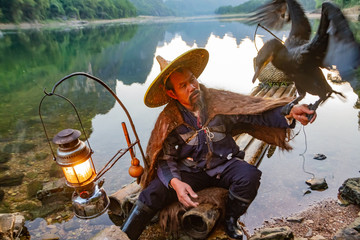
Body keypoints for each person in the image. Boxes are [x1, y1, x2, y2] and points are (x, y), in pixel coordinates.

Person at [121, 48, 316, 240]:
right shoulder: (169, 119)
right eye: (183, 86)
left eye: (192, 80)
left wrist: (290, 112)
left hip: (225, 164)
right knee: (151, 192)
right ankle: (124, 235)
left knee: (249, 177)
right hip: (192, 172)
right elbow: (165, 158)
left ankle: (230, 219)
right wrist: (176, 183)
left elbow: (256, 114)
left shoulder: (218, 101)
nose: (192, 87)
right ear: (172, 94)